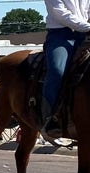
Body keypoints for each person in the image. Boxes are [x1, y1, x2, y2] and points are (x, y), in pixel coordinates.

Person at [41, 0, 90, 138]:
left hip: (85, 35)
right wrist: (87, 27)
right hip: (61, 35)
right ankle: (51, 117)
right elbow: (60, 14)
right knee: (57, 71)